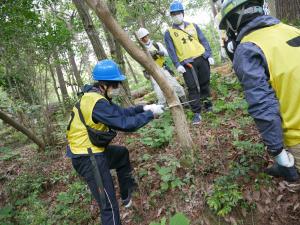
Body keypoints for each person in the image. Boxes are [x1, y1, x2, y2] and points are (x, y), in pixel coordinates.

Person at [66, 59, 164, 225]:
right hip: (88, 158)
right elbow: (125, 124)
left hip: (94, 151)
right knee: (108, 207)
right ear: (105, 84)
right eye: (116, 85)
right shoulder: (96, 103)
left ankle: (126, 195)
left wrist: (144, 108)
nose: (118, 88)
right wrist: (150, 115)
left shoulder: (96, 98)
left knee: (121, 154)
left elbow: (121, 113)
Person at [219, 0, 300, 182]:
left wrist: (278, 152)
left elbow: (262, 104)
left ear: (233, 21)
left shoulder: (248, 48)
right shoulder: (292, 30)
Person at [164, 0, 215, 125]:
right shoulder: (169, 32)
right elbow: (171, 51)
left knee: (205, 83)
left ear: (183, 13)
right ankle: (197, 113)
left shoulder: (193, 25)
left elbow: (203, 40)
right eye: (173, 14)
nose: (176, 16)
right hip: (186, 63)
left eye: (178, 13)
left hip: (201, 58)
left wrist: (209, 55)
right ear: (171, 16)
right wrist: (177, 64)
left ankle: (208, 105)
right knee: (192, 87)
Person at [136, 27, 186, 105]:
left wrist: (159, 52)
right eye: (142, 38)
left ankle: (185, 102)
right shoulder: (141, 49)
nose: (145, 39)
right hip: (152, 72)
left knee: (176, 85)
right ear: (141, 39)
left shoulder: (157, 44)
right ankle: (163, 109)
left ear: (148, 35)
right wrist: (144, 71)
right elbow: (142, 62)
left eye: (145, 36)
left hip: (163, 68)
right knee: (159, 93)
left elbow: (167, 54)